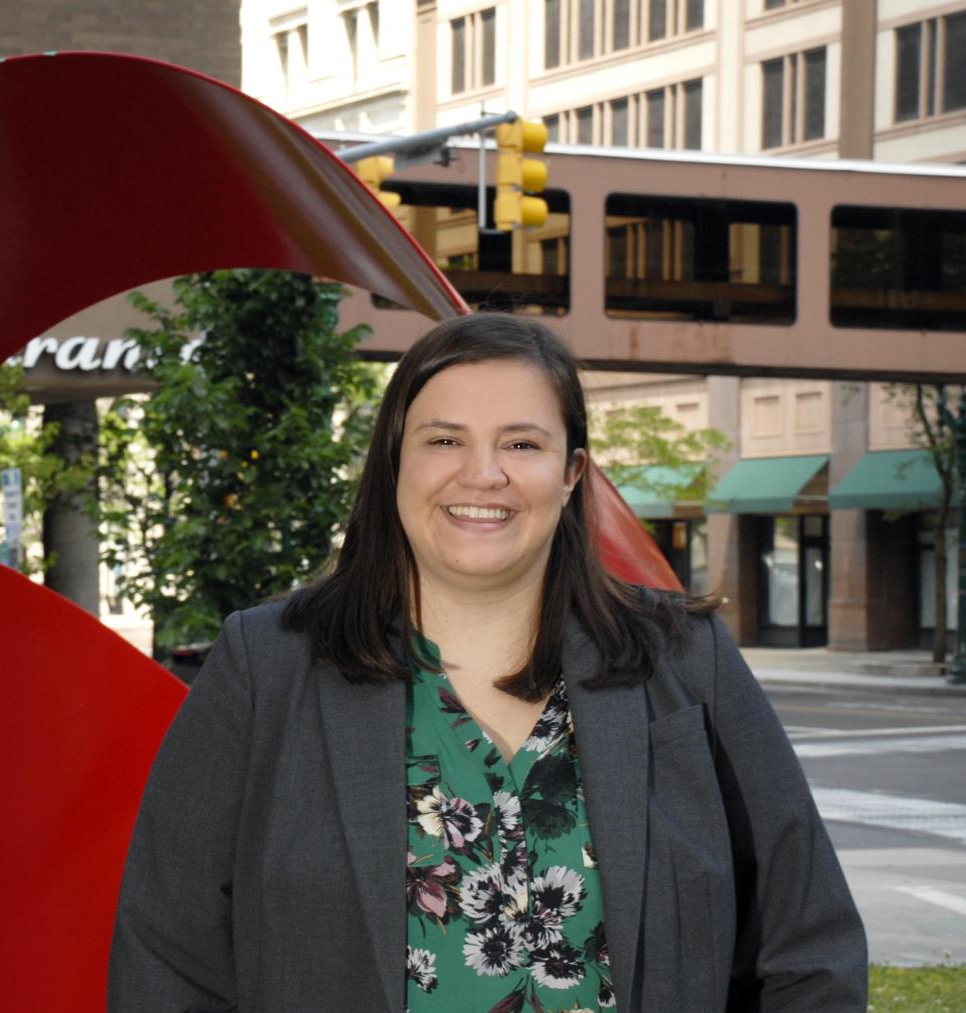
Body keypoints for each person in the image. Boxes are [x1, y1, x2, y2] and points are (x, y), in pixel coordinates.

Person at [109, 313, 866, 1013]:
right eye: (444, 440)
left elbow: (811, 947)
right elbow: (165, 954)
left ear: (571, 473)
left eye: (521, 444)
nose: (483, 474)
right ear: (394, 463)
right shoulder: (266, 666)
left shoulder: (685, 660)